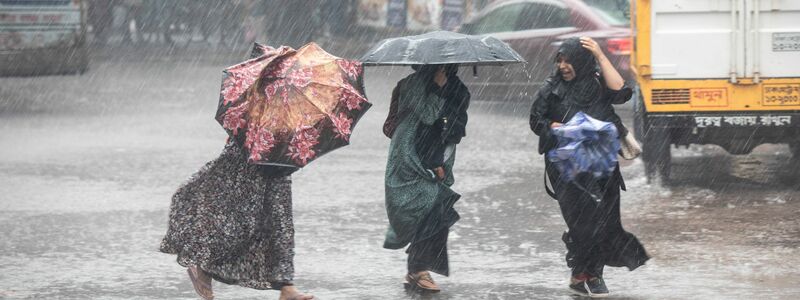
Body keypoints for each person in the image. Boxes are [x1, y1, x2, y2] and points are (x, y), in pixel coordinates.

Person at [529, 37, 650, 298]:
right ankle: (590, 275)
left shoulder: (596, 81)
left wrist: (600, 54)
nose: (563, 66)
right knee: (583, 221)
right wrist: (554, 127)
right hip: (565, 165)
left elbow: (622, 91)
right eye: (559, 60)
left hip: (601, 160)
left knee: (605, 220)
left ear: (582, 62)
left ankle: (582, 275)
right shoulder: (551, 87)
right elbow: (535, 119)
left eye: (568, 60)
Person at [159, 139, 314, 300]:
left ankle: (286, 286)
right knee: (239, 223)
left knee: (281, 222)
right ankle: (203, 264)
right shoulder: (251, 122)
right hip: (250, 148)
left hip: (281, 158)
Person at [382, 64, 470, 293]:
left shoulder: (458, 88)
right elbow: (429, 115)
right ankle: (418, 269)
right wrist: (438, 88)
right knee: (428, 210)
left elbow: (456, 125)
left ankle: (416, 269)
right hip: (411, 157)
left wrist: (439, 159)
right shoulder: (413, 84)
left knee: (436, 211)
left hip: (435, 157)